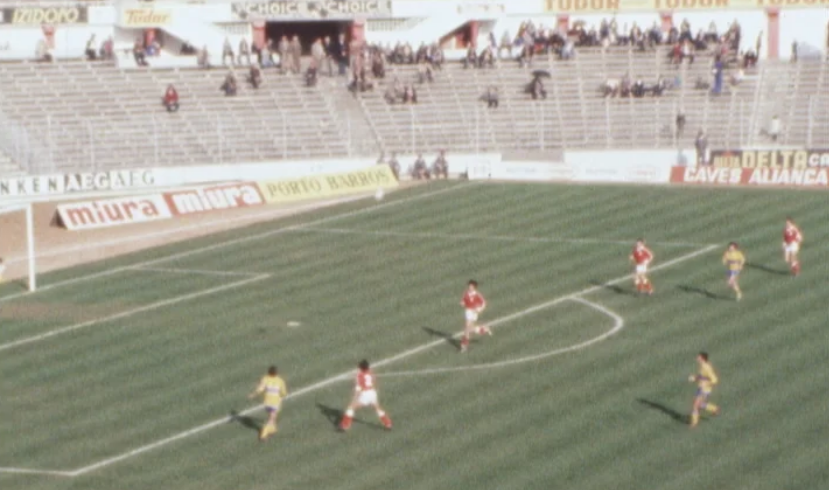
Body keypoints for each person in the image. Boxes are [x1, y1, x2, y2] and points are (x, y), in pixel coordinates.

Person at [339, 360, 392, 431]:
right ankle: (388, 423)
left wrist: (355, 398)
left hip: (365, 394)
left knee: (351, 407)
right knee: (377, 408)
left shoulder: (359, 375)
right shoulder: (371, 372)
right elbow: (374, 380)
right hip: (372, 392)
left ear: (360, 367)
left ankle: (345, 425)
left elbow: (358, 388)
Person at [248, 365, 287, 441]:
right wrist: (281, 395)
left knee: (272, 417)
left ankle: (272, 429)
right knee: (272, 418)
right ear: (276, 373)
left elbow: (260, 389)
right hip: (275, 402)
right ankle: (263, 434)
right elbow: (284, 393)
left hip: (267, 402)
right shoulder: (280, 381)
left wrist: (253, 395)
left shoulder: (265, 379)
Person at [688, 352, 720, 428]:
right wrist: (694, 378)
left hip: (705, 390)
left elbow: (715, 380)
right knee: (699, 404)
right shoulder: (703, 366)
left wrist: (706, 384)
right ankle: (714, 409)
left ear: (702, 359)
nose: (697, 358)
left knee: (695, 405)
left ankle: (694, 422)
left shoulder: (706, 367)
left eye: (698, 357)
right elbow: (702, 376)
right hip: (701, 388)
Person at [460, 280, 490, 353]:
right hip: (468, 311)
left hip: (473, 312)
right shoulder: (466, 293)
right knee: (468, 328)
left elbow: (484, 303)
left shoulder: (477, 294)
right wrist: (462, 303)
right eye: (469, 286)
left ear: (474, 287)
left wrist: (479, 310)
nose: (469, 287)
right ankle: (481, 330)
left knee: (468, 328)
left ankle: (464, 345)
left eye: (471, 286)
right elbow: (463, 301)